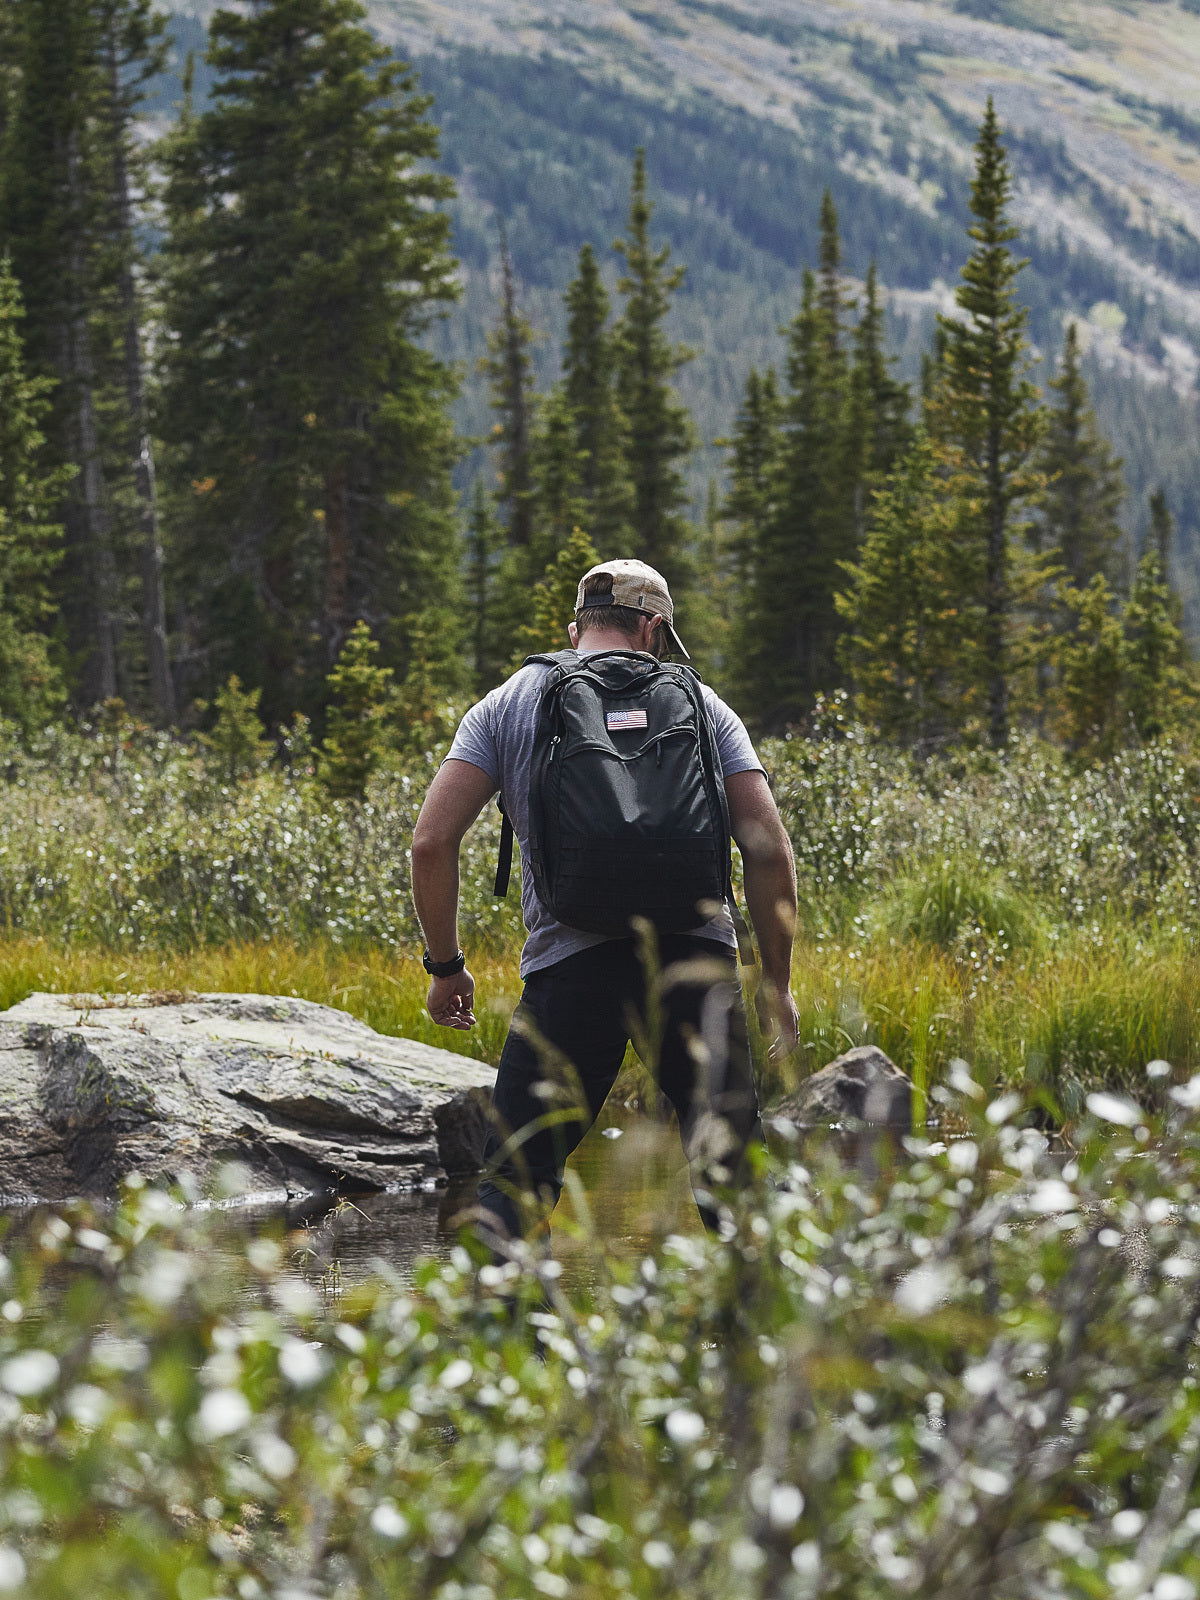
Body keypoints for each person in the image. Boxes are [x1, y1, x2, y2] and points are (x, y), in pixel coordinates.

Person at [411, 558, 799, 1243]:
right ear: (653, 628)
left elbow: (431, 844)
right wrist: (777, 983)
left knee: (516, 1184)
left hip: (569, 969)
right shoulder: (705, 706)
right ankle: (755, 1339)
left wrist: (447, 967)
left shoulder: (509, 702)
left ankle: (501, 1340)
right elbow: (767, 846)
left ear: (574, 629)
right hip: (696, 969)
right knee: (734, 1181)